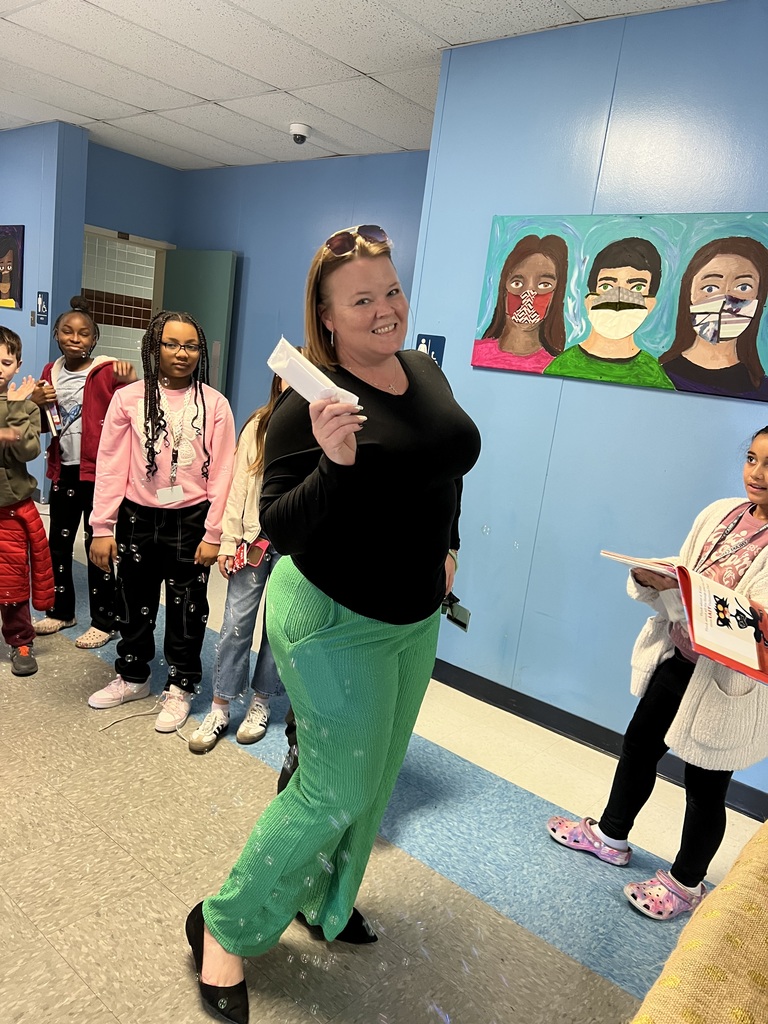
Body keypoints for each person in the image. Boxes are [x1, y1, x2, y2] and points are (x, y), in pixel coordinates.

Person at [184, 224, 481, 1023]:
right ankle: (224, 926)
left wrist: (447, 543)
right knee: (331, 787)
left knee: (375, 778)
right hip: (332, 620)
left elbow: (442, 461)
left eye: (391, 290)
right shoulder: (303, 412)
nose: (386, 308)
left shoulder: (421, 369)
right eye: (363, 299)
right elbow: (284, 531)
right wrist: (336, 463)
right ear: (325, 314)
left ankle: (325, 900)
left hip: (413, 618)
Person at [547, 427, 768, 920]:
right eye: (752, 459)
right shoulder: (721, 513)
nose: (756, 473)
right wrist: (659, 579)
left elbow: (757, 628)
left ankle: (687, 882)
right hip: (679, 660)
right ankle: (610, 834)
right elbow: (689, 576)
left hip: (726, 687)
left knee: (706, 786)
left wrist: (712, 604)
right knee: (638, 748)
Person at [86, 311, 235, 734]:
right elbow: (111, 465)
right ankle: (133, 676)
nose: (182, 353)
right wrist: (102, 527)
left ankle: (181, 686)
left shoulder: (215, 404)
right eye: (171, 343)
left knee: (188, 609)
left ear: (200, 352)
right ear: (154, 347)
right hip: (137, 517)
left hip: (192, 519)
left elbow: (224, 470)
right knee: (133, 600)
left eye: (190, 345)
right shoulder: (128, 398)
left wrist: (214, 533)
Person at [32, 296, 137, 648]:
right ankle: (62, 612)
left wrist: (131, 380)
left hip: (100, 476)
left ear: (94, 339)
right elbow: (47, 425)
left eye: (84, 333)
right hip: (64, 470)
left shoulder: (108, 371)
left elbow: (133, 414)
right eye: (67, 331)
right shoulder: (51, 373)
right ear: (57, 336)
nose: (75, 338)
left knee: (99, 547)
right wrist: (36, 403)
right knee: (57, 546)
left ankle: (105, 620)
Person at [188, 373, 285, 755]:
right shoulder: (259, 425)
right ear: (275, 382)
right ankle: (221, 706)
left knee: (278, 629)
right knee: (235, 624)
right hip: (252, 538)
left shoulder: (319, 427)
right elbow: (239, 486)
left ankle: (261, 702)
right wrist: (229, 541)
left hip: (294, 547)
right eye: (284, 380)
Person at [544, 237, 673, 389]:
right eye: (606, 286)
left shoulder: (653, 375)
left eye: (637, 288)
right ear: (589, 300)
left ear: (650, 304)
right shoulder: (562, 367)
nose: (619, 296)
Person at [0, 326, 54, 675]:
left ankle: (21, 640)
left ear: (17, 366)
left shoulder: (25, 405)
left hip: (11, 511)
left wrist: (18, 408)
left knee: (13, 579)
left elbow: (28, 448)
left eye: (5, 362)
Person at [659, 236, 768, 400]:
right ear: (690, 295)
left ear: (758, 299)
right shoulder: (657, 376)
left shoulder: (761, 389)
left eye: (743, 287)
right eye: (710, 288)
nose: (725, 299)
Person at [471, 233, 568, 373]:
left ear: (556, 294)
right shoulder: (477, 351)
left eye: (544, 285)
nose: (528, 295)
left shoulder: (555, 367)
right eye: (517, 282)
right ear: (504, 289)